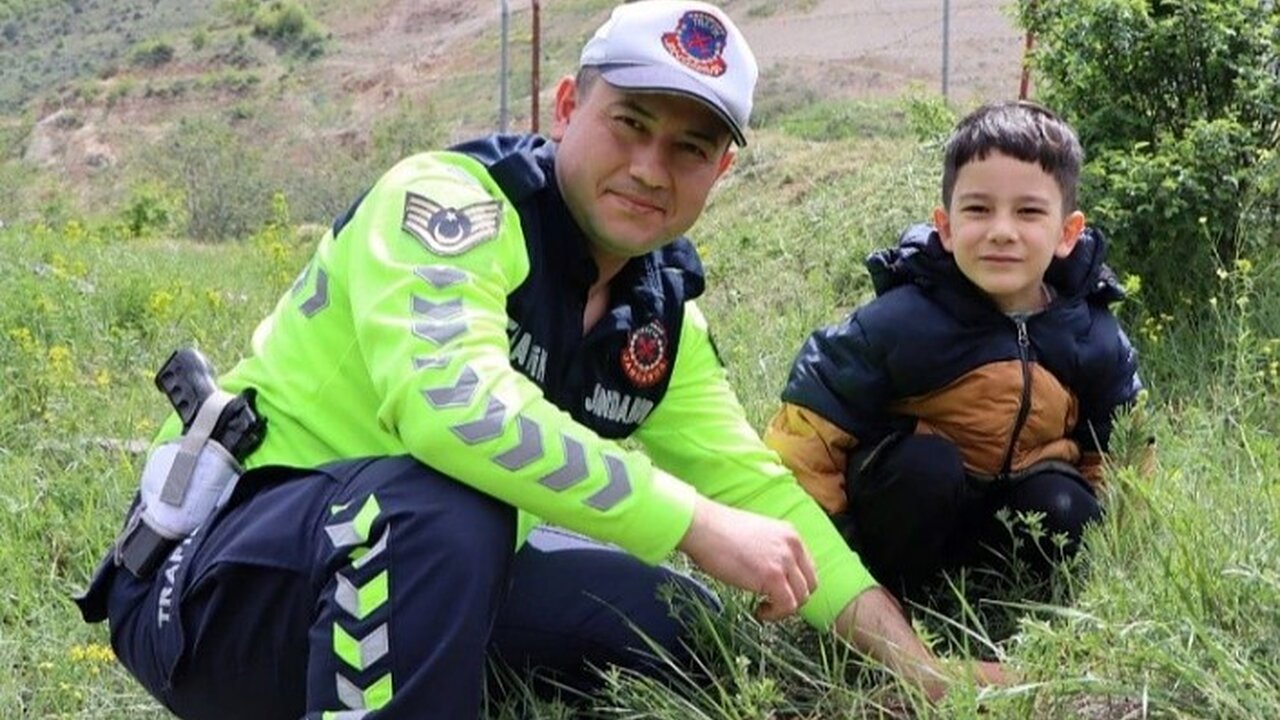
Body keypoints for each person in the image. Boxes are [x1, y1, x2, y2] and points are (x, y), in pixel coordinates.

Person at [75, 3, 998, 717]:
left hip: (406, 581)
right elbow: (454, 410)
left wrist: (918, 666)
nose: (650, 167)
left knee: (690, 628)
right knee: (445, 501)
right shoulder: (445, 203)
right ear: (566, 107)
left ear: (720, 173)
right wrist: (690, 520)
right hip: (210, 595)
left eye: (689, 148)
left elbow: (762, 498)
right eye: (629, 123)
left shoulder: (660, 319)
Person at [764, 101, 1143, 603]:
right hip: (909, 513)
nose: (1001, 230)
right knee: (927, 467)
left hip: (1008, 513)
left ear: (1067, 233)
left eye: (1029, 211)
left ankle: (1014, 596)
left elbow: (1121, 452)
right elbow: (809, 432)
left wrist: (1117, 541)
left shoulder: (1091, 334)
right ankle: (897, 595)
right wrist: (823, 548)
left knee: (1065, 505)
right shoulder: (902, 321)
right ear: (945, 226)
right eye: (978, 209)